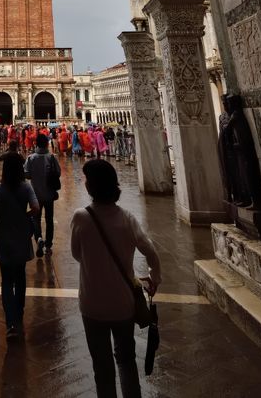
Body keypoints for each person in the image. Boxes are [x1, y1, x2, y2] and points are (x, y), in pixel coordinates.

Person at [71, 160, 160, 398]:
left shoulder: (81, 217)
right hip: (123, 305)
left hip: (92, 304)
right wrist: (155, 276)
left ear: (91, 188)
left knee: (102, 366)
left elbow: (76, 254)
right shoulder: (127, 218)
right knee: (127, 361)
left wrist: (95, 263)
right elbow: (150, 250)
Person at [0, 153, 39, 339]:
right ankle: (20, 313)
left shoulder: (0, 188)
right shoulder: (26, 187)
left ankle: (10, 322)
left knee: (7, 280)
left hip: (4, 237)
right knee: (21, 276)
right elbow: (36, 208)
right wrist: (26, 216)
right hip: (22, 235)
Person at [24, 133, 61, 256]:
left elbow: (26, 174)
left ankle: (38, 238)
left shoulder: (31, 158)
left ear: (36, 144)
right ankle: (48, 245)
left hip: (35, 195)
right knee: (49, 219)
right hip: (49, 194)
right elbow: (58, 173)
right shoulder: (51, 157)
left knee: (36, 219)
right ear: (46, 144)